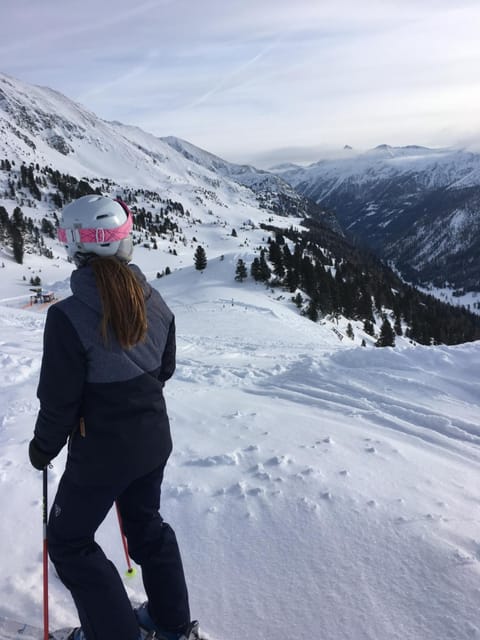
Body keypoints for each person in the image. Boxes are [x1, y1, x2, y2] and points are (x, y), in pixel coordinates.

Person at [28, 195, 199, 640]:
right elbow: (164, 370)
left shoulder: (67, 316)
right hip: (153, 439)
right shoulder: (154, 300)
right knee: (146, 526)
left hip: (103, 453)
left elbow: (59, 401)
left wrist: (43, 448)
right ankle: (171, 623)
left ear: (75, 246)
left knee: (69, 542)